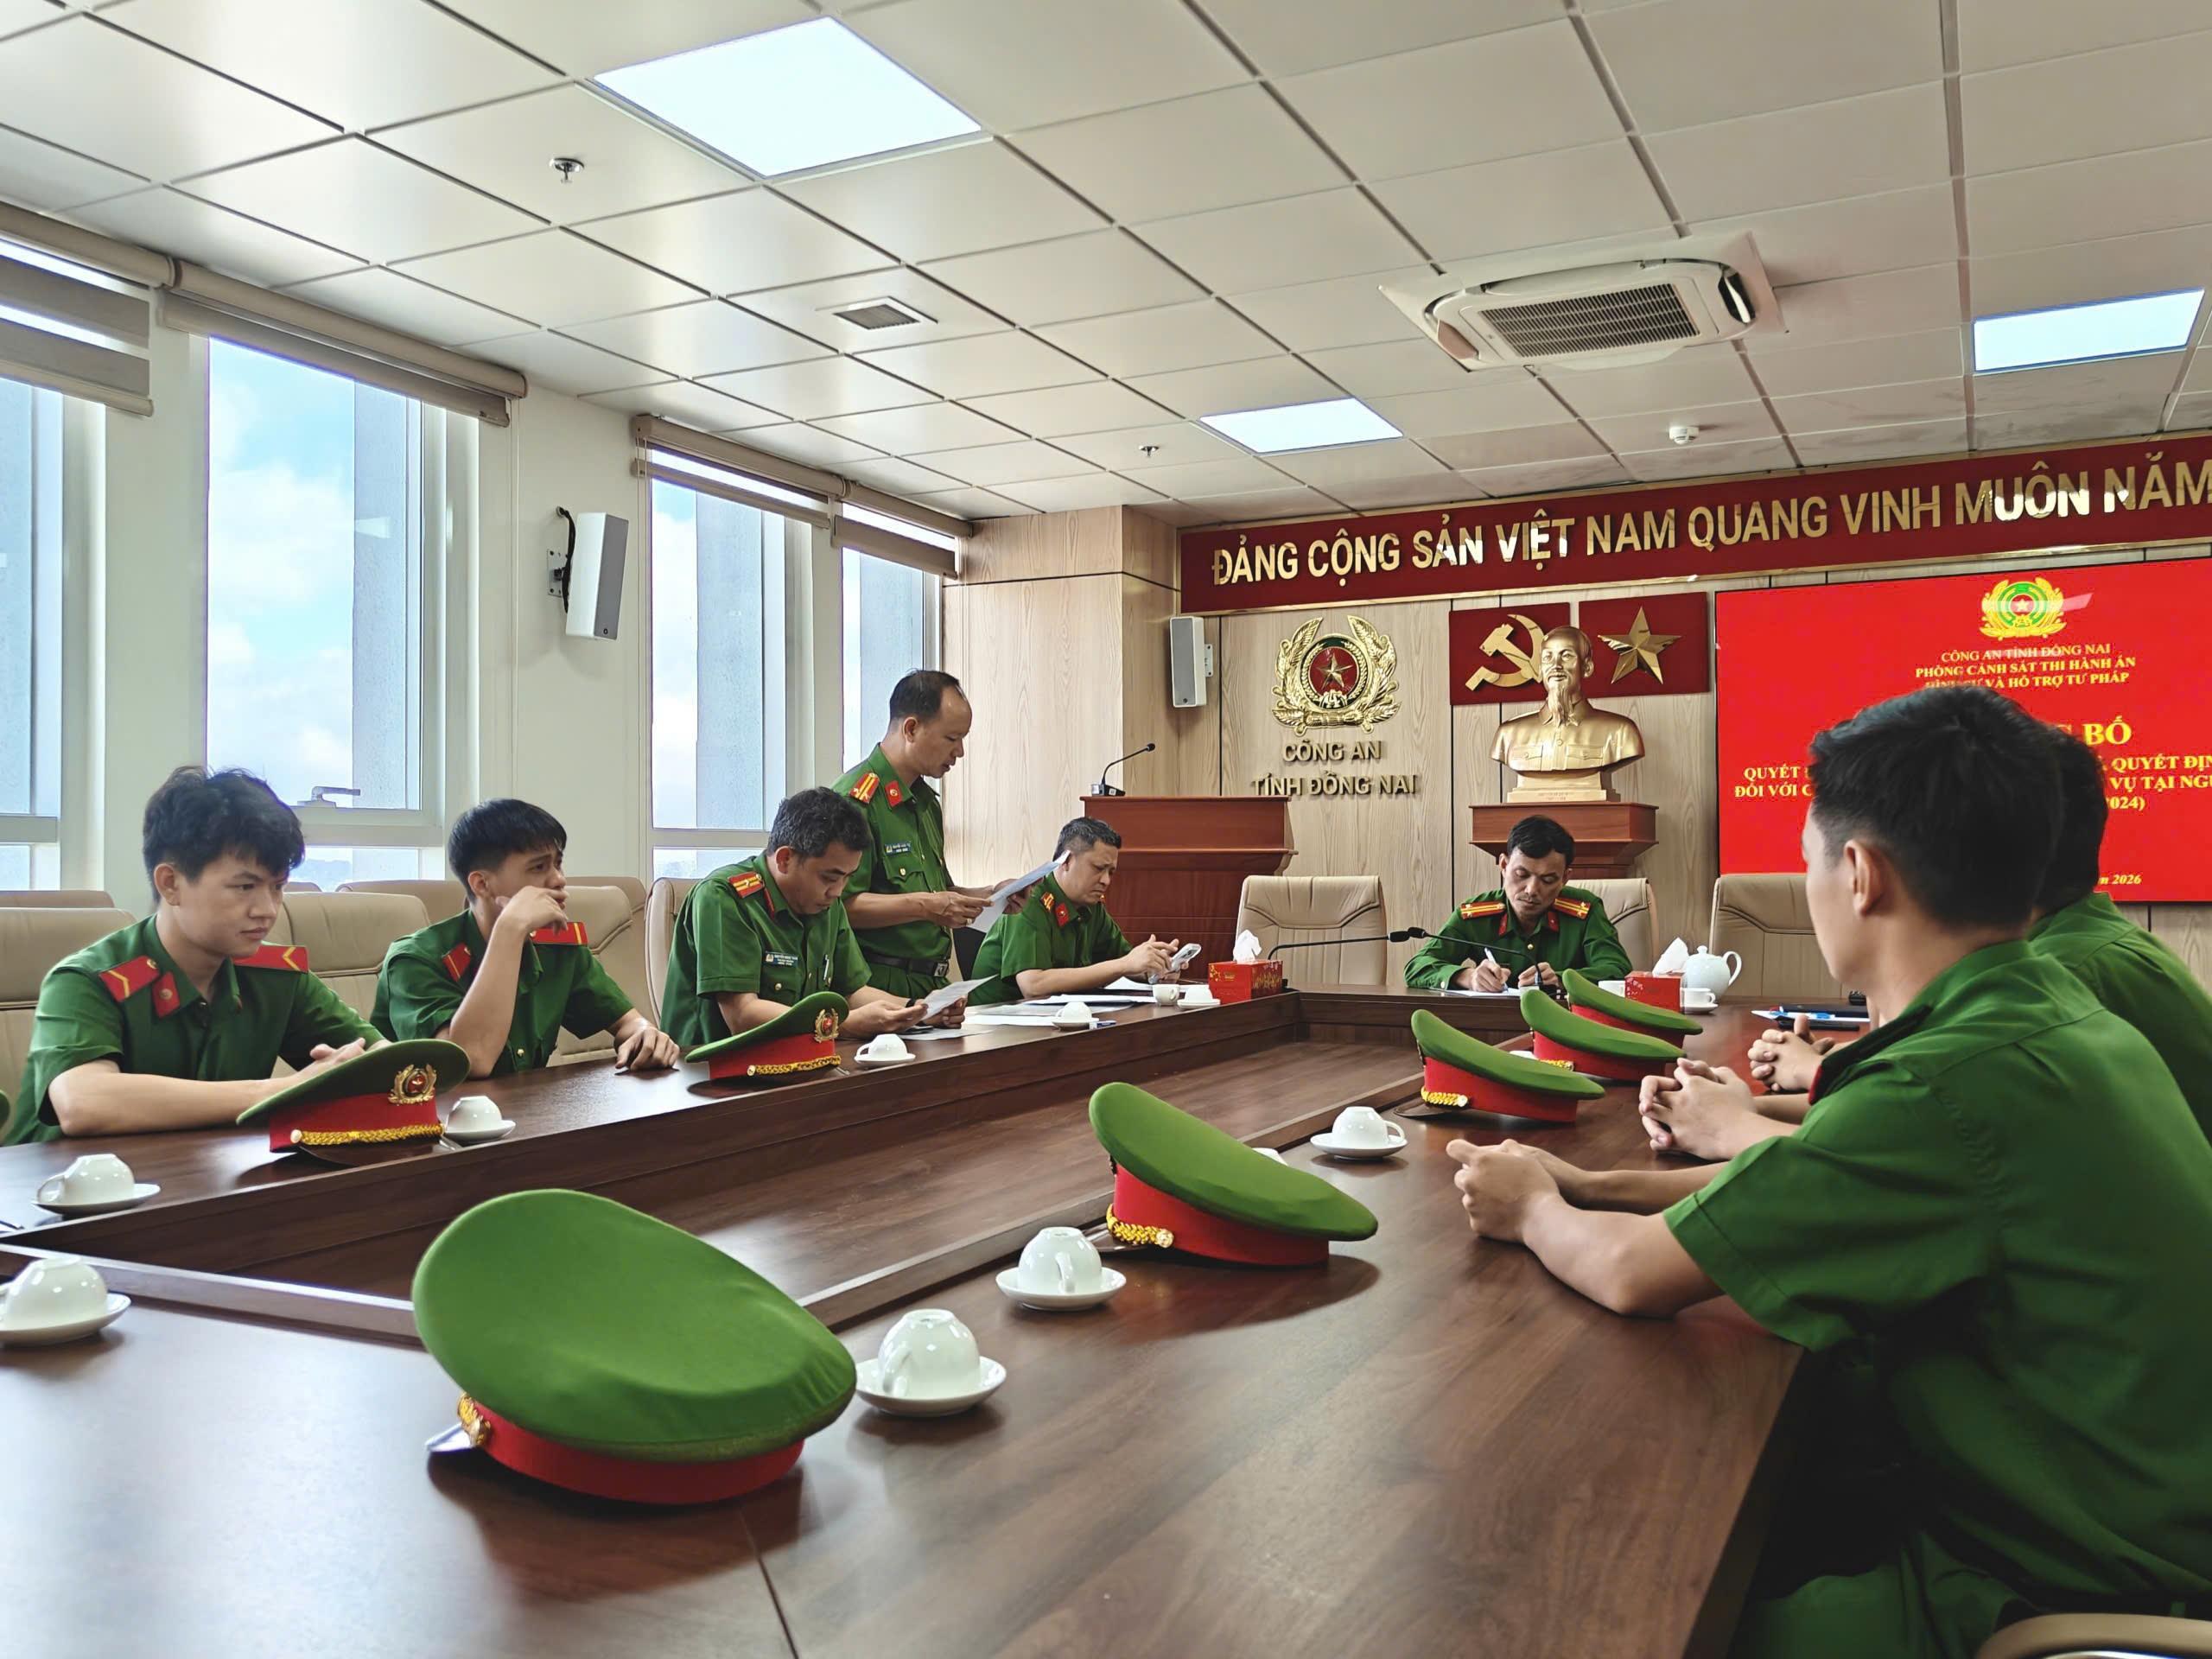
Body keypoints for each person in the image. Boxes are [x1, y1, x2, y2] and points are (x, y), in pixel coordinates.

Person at [1446, 684, 2212, 1659]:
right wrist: (1585, 1183)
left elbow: (1632, 1274)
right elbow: (1811, 1175)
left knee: (1618, 1617)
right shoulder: (2044, 1015)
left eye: (1808, 858)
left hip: (2061, 1585)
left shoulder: (1945, 1083)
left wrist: (1529, 1207)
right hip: (2107, 1514)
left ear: (1858, 874)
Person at [1664, 721, 2212, 1157]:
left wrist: (1767, 1103)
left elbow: (1902, 1159)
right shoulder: (2082, 946)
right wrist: (1806, 1083)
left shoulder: (2054, 982)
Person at [7, 766, 380, 1143]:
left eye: (278, 887)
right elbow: (83, 1103)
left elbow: (382, 1061)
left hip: (203, 1174)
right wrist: (283, 1090)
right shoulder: (87, 981)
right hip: (69, 1178)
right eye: (245, 887)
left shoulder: (276, 975)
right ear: (170, 883)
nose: (268, 910)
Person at [373, 798, 679, 1079]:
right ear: (482, 884)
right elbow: (470, 1061)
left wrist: (645, 1034)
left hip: (524, 1113)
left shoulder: (555, 946)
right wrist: (509, 930)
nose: (559, 879)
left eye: (558, 863)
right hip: (431, 1119)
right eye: (539, 867)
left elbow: (627, 1022)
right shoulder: (415, 960)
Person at [660, 786, 963, 1050]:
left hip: (798, 1064)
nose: (838, 891)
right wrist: (841, 1025)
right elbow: (742, 1014)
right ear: (785, 859)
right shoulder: (724, 898)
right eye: (829, 877)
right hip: (710, 1077)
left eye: (848, 878)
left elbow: (852, 991)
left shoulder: (824, 903)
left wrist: (918, 1010)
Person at [831, 670, 1003, 1001]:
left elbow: (940, 893)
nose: (960, 752)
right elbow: (837, 906)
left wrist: (992, 896)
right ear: (911, 729)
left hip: (932, 984)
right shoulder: (855, 802)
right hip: (877, 986)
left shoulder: (925, 803)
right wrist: (925, 906)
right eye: (951, 738)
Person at [1403, 814, 1631, 992]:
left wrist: (1562, 979)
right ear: (1504, 866)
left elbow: (1617, 970)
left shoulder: (1585, 910)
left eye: (1547, 880)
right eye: (1521, 875)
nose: (1531, 890)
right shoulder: (1477, 914)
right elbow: (1417, 966)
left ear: (1564, 878)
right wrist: (1467, 977)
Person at [969, 817, 1177, 1006]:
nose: (1106, 881)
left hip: (1058, 1019)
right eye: (1098, 868)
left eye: (1111, 872)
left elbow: (1126, 962)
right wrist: (1124, 964)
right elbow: (1033, 986)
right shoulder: (1027, 900)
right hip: (997, 1023)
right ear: (1066, 861)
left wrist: (1154, 967)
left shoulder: (1091, 906)